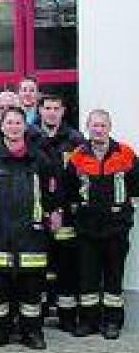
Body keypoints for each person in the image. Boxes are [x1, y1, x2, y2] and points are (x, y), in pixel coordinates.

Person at [0, 107, 58, 350]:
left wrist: (48, 218)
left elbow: (51, 194)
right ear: (2, 127)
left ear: (25, 127)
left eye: (18, 122)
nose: (13, 127)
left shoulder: (39, 159)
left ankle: (32, 332)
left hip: (32, 235)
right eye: (9, 122)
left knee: (32, 289)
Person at [65, 109, 137, 339]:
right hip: (87, 227)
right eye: (94, 125)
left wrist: (127, 209)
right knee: (88, 276)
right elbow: (69, 190)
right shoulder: (77, 156)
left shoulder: (126, 153)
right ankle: (88, 322)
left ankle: (112, 322)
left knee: (114, 276)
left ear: (109, 127)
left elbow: (136, 185)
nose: (99, 129)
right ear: (88, 127)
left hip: (116, 226)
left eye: (103, 125)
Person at [32, 93, 86, 332]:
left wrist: (64, 209)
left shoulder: (75, 141)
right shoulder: (29, 137)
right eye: (47, 108)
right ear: (40, 111)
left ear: (63, 111)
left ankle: (66, 316)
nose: (52, 112)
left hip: (67, 215)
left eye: (56, 108)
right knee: (39, 266)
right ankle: (38, 313)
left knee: (66, 266)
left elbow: (81, 180)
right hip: (38, 212)